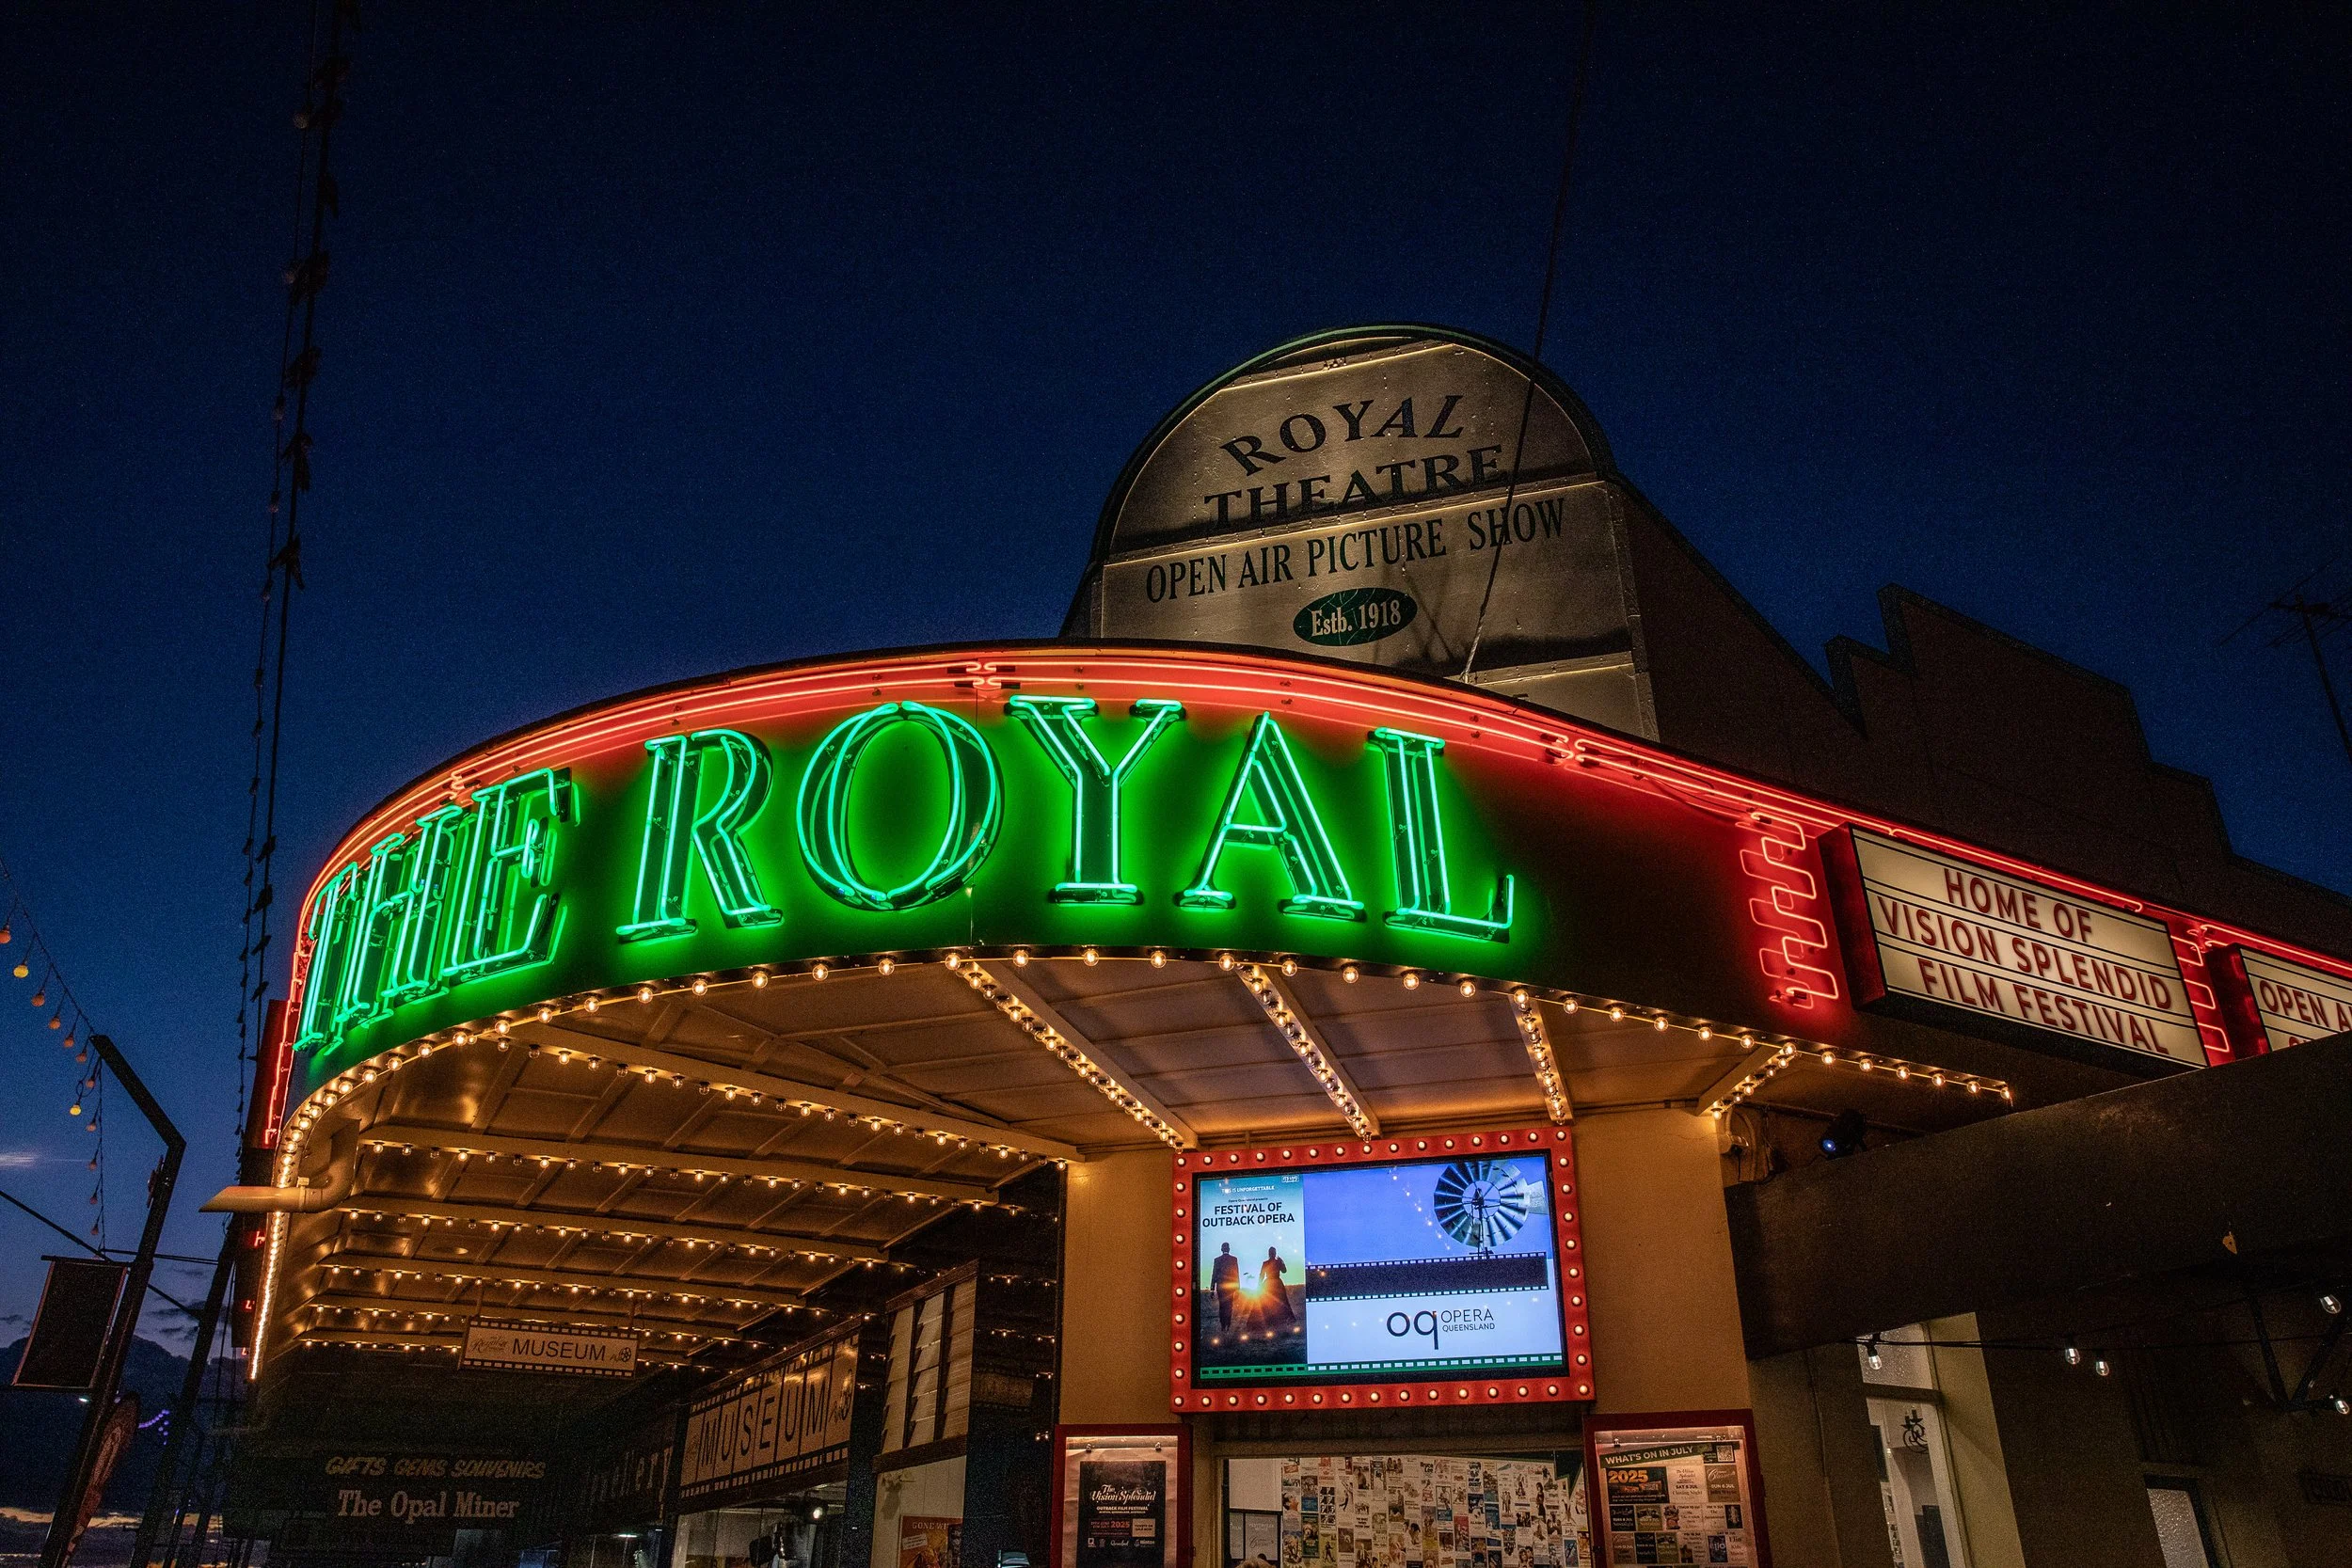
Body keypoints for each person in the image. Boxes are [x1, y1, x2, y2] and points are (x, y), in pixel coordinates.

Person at [1257, 1244, 1295, 1327]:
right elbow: (1284, 1271)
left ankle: (1271, 1321)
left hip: (1268, 1284)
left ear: (1269, 1253)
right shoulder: (1277, 1262)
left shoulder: (1266, 1263)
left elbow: (1262, 1275)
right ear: (1274, 1253)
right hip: (1277, 1283)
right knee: (1280, 1302)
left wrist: (1259, 1285)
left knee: (1270, 1302)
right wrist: (1282, 1261)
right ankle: (1280, 1320)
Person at [1211, 1242, 1242, 1333]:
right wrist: (1237, 1288)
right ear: (1228, 1249)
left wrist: (1212, 1289)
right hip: (1230, 1288)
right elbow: (1236, 1274)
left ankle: (1223, 1326)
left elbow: (1214, 1275)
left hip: (1221, 1287)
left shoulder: (1217, 1260)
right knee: (1229, 1307)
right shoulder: (1234, 1259)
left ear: (1222, 1249)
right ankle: (1227, 1326)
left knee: (1222, 1306)